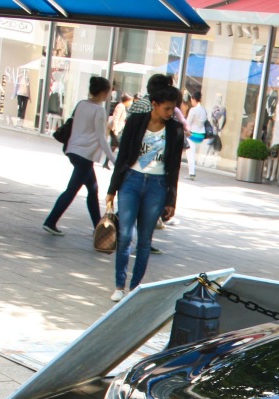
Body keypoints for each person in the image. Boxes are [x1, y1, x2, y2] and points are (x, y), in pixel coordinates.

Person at [106, 85, 184, 301]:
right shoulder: (136, 122)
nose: (170, 113)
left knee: (145, 239)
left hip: (157, 185)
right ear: (155, 105)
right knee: (125, 235)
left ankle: (135, 287)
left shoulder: (175, 130)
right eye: (167, 109)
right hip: (131, 180)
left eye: (173, 109)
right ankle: (119, 285)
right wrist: (112, 189)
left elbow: (175, 167)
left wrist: (171, 200)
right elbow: (122, 157)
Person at [43, 76, 115, 236]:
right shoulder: (99, 110)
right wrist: (113, 159)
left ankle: (98, 226)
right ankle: (51, 221)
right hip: (85, 155)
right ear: (104, 92)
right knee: (72, 190)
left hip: (73, 150)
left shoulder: (81, 104)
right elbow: (101, 138)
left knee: (93, 189)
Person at [184, 92, 209, 180]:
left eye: (191, 100)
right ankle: (191, 173)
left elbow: (187, 124)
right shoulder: (203, 110)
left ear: (194, 99)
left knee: (190, 154)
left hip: (192, 135)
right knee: (191, 153)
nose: (191, 102)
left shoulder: (193, 110)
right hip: (201, 135)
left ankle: (192, 173)